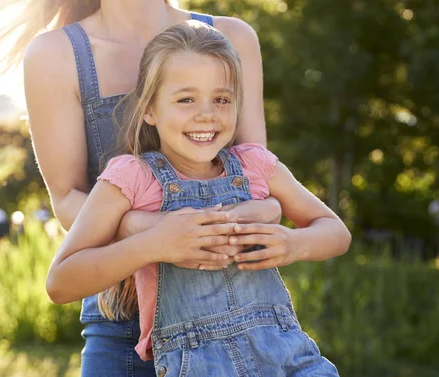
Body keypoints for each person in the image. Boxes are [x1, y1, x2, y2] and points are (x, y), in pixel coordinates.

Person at [0, 0, 283, 375]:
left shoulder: (233, 38)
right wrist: (153, 233)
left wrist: (271, 211)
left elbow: (252, 177)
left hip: (240, 321)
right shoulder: (54, 54)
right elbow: (66, 199)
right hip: (125, 329)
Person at [47, 22, 351, 376]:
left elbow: (336, 232)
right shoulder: (130, 178)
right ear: (149, 109)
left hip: (288, 358)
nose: (207, 114)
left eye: (221, 99)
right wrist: (152, 245)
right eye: (186, 99)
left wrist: (293, 243)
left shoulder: (256, 165)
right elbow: (60, 282)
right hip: (196, 366)